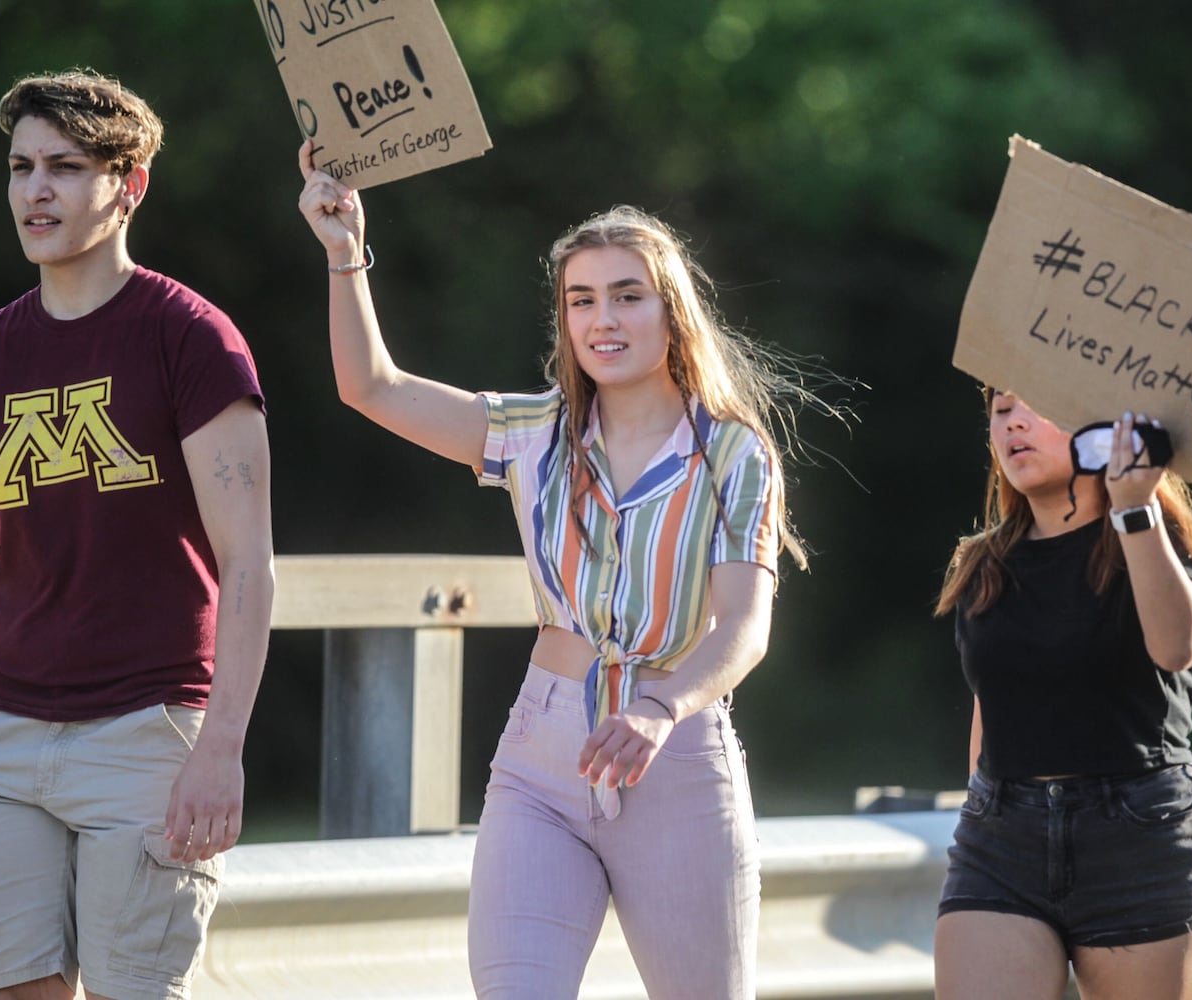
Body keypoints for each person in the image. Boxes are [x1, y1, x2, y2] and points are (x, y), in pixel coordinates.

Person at [294, 141, 830, 999]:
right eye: (581, 300)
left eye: (627, 296)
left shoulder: (732, 454)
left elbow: (744, 627)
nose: (602, 319)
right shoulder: (532, 434)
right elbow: (372, 386)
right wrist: (344, 251)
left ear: (671, 312)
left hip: (678, 759)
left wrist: (659, 706)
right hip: (542, 760)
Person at [0, 71, 273, 1000]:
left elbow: (249, 566)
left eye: (64, 166)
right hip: (1, 734)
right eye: (21, 167)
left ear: (129, 184)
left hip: (149, 730)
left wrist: (220, 749)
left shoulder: (191, 339)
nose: (35, 191)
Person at [933, 389, 1192, 1000]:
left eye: (1035, 404)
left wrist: (1134, 509)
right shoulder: (983, 565)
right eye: (999, 410)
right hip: (1003, 837)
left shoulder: (1158, 541)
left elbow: (1177, 646)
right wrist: (982, 815)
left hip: (1137, 838)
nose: (1013, 420)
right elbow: (990, 710)